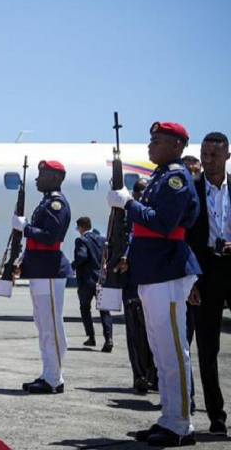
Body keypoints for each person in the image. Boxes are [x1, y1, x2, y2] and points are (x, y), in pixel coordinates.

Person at [107, 121, 200, 446]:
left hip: (168, 270)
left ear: (176, 146)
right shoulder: (161, 176)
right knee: (160, 351)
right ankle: (168, 418)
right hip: (153, 271)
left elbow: (162, 223)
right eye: (151, 140)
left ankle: (182, 426)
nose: (150, 146)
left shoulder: (175, 178)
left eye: (157, 141)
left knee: (174, 350)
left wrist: (128, 204)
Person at [13, 160, 72, 394]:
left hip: (50, 270)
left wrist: (25, 227)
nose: (37, 178)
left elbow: (50, 236)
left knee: (52, 325)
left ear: (56, 178)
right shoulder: (46, 202)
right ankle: (49, 373)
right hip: (40, 270)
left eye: (42, 174)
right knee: (43, 323)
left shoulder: (57, 204)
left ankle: (54, 379)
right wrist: (22, 261)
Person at [185, 132, 230, 437]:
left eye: (214, 154)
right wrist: (190, 282)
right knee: (207, 348)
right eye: (204, 154)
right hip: (206, 274)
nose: (207, 160)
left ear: (227, 156)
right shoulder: (190, 192)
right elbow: (184, 239)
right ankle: (216, 416)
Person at [122, 178, 158, 395]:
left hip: (153, 280)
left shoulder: (153, 215)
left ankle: (156, 375)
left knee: (155, 333)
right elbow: (119, 241)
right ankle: (140, 377)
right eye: (139, 191)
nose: (142, 195)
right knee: (135, 334)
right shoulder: (125, 216)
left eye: (145, 191)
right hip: (132, 283)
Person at [72, 216, 113, 352]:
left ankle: (91, 337)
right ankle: (109, 339)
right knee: (104, 310)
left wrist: (73, 265)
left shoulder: (81, 240)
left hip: (86, 280)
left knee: (85, 308)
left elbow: (82, 256)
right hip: (102, 279)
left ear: (81, 227)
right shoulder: (102, 240)